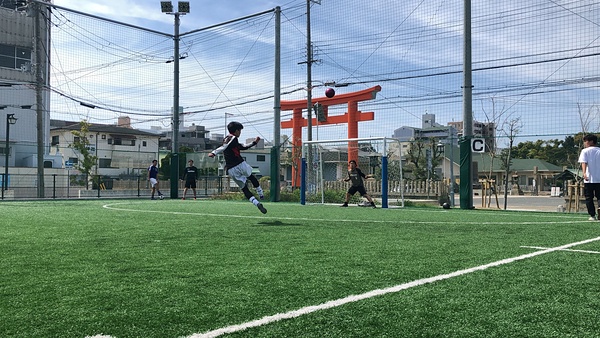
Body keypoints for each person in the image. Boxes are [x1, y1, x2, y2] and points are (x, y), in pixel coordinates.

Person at [208, 121, 266, 214]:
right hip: (240, 164)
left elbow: (242, 147)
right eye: (239, 130)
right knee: (251, 176)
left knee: (244, 188)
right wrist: (214, 152)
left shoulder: (231, 140)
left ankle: (257, 203)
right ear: (235, 131)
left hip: (231, 169)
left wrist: (254, 142)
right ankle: (260, 193)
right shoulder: (232, 138)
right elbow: (224, 146)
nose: (240, 133)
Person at [578, 134, 600, 221]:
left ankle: (592, 215)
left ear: (591, 141)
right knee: (599, 196)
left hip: (589, 179)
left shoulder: (585, 151)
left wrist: (584, 173)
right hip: (599, 179)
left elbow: (584, 162)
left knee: (589, 197)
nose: (585, 143)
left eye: (586, 141)